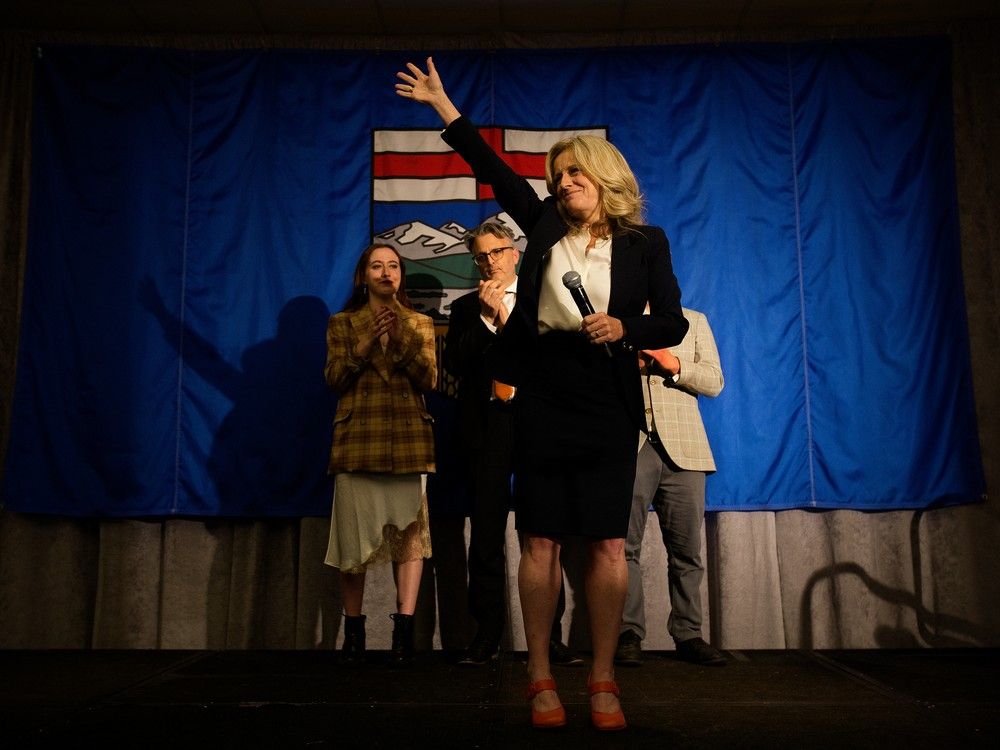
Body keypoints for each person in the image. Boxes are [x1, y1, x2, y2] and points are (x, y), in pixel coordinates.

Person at [396, 58, 688, 730]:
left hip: (608, 396)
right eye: (556, 178)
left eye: (573, 175)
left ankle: (605, 677)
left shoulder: (647, 244)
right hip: (545, 391)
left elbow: (670, 319)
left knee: (608, 545)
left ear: (604, 177)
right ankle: (538, 675)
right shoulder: (547, 226)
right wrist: (445, 106)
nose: (561, 185)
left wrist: (626, 325)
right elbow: (492, 166)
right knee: (541, 541)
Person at [445, 220, 581, 667]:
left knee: (542, 534)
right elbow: (458, 365)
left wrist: (507, 318)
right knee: (484, 533)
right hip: (487, 425)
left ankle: (552, 637)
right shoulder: (466, 308)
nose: (491, 262)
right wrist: (487, 320)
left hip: (537, 423)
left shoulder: (544, 300)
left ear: (515, 253)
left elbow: (551, 362)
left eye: (497, 252)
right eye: (482, 256)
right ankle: (487, 632)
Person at [323, 243, 437, 667]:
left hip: (407, 442)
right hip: (359, 441)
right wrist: (366, 341)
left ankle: (403, 632)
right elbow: (334, 379)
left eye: (393, 266)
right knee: (353, 541)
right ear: (364, 276)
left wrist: (399, 339)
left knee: (409, 540)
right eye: (377, 266)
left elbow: (429, 379)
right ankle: (353, 633)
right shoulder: (342, 324)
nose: (386, 272)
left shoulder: (420, 323)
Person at [615, 307, 727, 668]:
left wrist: (673, 363)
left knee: (687, 552)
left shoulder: (692, 320)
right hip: (627, 447)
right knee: (621, 549)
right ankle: (628, 633)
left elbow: (714, 381)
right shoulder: (612, 319)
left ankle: (688, 633)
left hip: (685, 449)